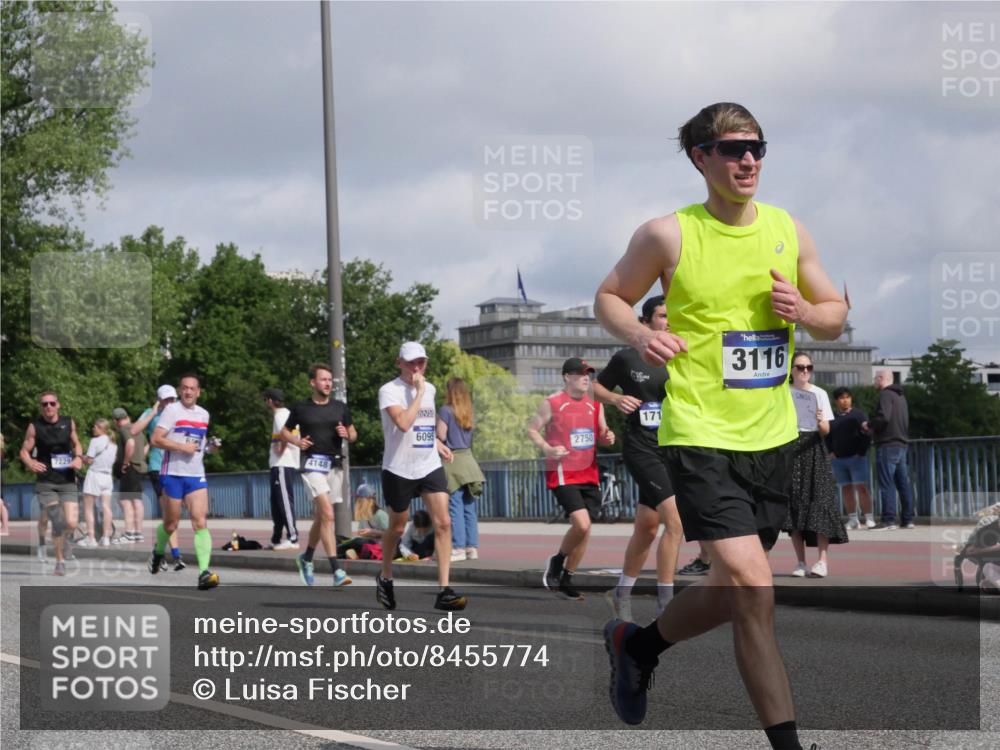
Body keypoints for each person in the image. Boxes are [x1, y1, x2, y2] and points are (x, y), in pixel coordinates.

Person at [594, 102, 846, 749]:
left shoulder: (789, 231)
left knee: (735, 589)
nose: (749, 161)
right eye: (734, 149)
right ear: (701, 157)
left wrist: (809, 314)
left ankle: (638, 646)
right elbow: (610, 296)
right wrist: (639, 336)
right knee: (756, 591)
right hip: (700, 433)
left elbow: (834, 312)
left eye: (758, 147)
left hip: (771, 439)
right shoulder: (669, 235)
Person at [593, 295, 683, 620]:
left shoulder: (681, 357)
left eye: (671, 316)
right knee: (675, 521)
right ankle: (666, 603)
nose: (668, 322)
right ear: (646, 322)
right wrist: (617, 401)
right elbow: (595, 389)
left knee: (647, 526)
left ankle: (621, 593)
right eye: (662, 316)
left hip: (673, 448)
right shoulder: (628, 358)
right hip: (641, 446)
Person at [376, 341, 467, 611]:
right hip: (398, 468)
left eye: (421, 363)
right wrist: (418, 393)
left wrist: (437, 444)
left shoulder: (431, 389)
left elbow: (423, 423)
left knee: (444, 522)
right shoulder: (389, 391)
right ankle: (385, 576)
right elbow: (404, 424)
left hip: (427, 464)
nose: (416, 368)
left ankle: (444, 590)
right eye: (410, 362)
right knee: (397, 527)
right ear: (399, 363)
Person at [528, 357, 616, 601]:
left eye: (588, 373)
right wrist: (547, 448)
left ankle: (568, 577)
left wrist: (608, 437)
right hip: (562, 472)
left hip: (589, 473)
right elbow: (532, 429)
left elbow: (602, 434)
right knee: (582, 524)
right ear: (567, 377)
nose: (586, 377)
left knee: (585, 530)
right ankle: (557, 561)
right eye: (580, 373)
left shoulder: (595, 405)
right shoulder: (553, 403)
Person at [280, 364, 355, 587]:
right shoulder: (301, 408)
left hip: (334, 465)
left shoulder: (340, 407)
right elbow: (284, 431)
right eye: (323, 380)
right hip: (311, 465)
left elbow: (353, 433)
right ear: (313, 382)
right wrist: (296, 441)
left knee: (322, 517)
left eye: (330, 380)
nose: (328, 383)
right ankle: (337, 571)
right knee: (328, 515)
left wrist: (346, 434)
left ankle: (307, 558)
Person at [148, 373, 221, 589]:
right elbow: (156, 439)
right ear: (180, 391)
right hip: (173, 473)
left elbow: (199, 445)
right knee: (171, 523)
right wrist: (181, 447)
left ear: (199, 392)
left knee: (200, 521)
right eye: (185, 388)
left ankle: (204, 572)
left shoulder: (204, 415)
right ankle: (159, 552)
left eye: (192, 388)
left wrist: (210, 448)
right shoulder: (172, 410)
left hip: (196, 473)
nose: (188, 391)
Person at [781, 352, 847, 578]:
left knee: (820, 500)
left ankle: (822, 561)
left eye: (808, 367)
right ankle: (800, 562)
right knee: (795, 504)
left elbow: (826, 430)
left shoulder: (819, 393)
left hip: (813, 448)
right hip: (791, 447)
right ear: (791, 370)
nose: (805, 371)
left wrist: (820, 421)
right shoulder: (783, 392)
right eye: (800, 367)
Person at [19, 390, 83, 576]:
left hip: (67, 479)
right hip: (46, 480)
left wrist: (78, 457)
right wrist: (30, 462)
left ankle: (67, 539)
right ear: (41, 407)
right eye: (44, 404)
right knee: (57, 521)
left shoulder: (68, 422)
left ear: (58, 405)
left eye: (52, 403)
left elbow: (77, 443)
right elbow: (24, 450)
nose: (48, 407)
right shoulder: (34, 427)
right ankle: (60, 561)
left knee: (71, 522)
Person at [132, 385, 184, 569]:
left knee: (173, 515)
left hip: (178, 467)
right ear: (159, 400)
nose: (170, 402)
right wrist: (152, 414)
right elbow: (134, 430)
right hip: (158, 467)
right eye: (166, 399)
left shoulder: (181, 412)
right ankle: (176, 556)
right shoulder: (151, 412)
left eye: (172, 399)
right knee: (169, 513)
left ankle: (158, 551)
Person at [437, 377, 486, 562]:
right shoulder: (469, 412)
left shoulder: (445, 410)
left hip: (453, 459)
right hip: (470, 461)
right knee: (469, 507)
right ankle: (471, 548)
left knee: (454, 506)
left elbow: (441, 435)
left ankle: (457, 548)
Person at [866, 369, 915, 530]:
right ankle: (907, 519)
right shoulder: (901, 396)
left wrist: (870, 425)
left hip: (887, 444)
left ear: (881, 379)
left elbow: (884, 417)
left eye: (875, 378)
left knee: (886, 483)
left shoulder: (886, 395)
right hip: (901, 443)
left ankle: (888, 519)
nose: (874, 381)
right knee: (903, 483)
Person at [826, 386, 874, 530]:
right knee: (846, 489)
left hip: (856, 458)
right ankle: (853, 519)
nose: (845, 401)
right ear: (836, 401)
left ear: (851, 399)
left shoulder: (859, 415)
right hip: (838, 459)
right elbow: (828, 436)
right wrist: (831, 452)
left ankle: (869, 518)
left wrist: (861, 452)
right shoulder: (832, 417)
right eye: (841, 398)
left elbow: (867, 434)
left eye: (847, 397)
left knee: (862, 488)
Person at [265, 387, 300, 550]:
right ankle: (276, 537)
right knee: (276, 502)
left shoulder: (280, 415)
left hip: (283, 463)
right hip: (279, 464)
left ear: (270, 401)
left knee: (284, 501)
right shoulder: (287, 413)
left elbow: (287, 432)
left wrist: (281, 448)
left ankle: (293, 538)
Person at [79, 418, 117, 547]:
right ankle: (106, 537)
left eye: (95, 426)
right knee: (106, 507)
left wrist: (82, 457)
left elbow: (89, 461)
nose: (93, 428)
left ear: (101, 428)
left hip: (94, 475)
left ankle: (91, 538)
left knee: (88, 508)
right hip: (107, 477)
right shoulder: (113, 445)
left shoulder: (94, 441)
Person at [113, 407, 148, 544]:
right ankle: (138, 533)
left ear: (116, 421)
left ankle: (129, 533)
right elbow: (146, 445)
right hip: (139, 468)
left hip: (130, 468)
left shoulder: (124, 429)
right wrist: (140, 458)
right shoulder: (137, 428)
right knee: (137, 500)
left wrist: (126, 462)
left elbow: (130, 443)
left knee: (125, 500)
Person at [337, 483, 389, 559]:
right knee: (338, 538)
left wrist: (372, 532)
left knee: (358, 542)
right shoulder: (363, 515)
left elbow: (391, 535)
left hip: (378, 545)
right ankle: (348, 552)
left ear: (368, 500)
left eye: (359, 499)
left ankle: (347, 552)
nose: (357, 502)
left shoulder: (380, 514)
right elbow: (361, 535)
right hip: (365, 542)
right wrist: (360, 534)